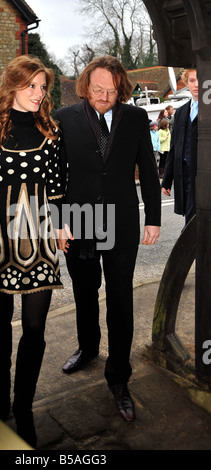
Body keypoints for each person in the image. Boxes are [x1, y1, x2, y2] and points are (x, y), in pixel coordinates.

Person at [0, 55, 65, 447]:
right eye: (32, 86)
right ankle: (0, 401)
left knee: (35, 329)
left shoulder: (52, 133)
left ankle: (24, 407)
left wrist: (63, 226)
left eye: (43, 87)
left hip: (38, 239)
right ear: (12, 87)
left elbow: (58, 190)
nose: (39, 93)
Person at [55, 56, 161, 422]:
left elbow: (147, 167)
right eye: (97, 89)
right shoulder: (64, 118)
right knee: (84, 291)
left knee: (120, 297)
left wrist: (154, 218)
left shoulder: (134, 119)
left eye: (111, 91)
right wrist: (56, 220)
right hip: (79, 221)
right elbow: (53, 177)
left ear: (122, 89)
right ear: (86, 85)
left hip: (122, 222)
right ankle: (87, 348)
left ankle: (119, 377)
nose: (104, 96)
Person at [162, 68, 198, 226]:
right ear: (186, 83)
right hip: (185, 173)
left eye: (201, 80)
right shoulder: (182, 112)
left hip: (205, 173)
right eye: (192, 80)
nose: (196, 84)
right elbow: (174, 148)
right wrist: (167, 179)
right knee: (190, 216)